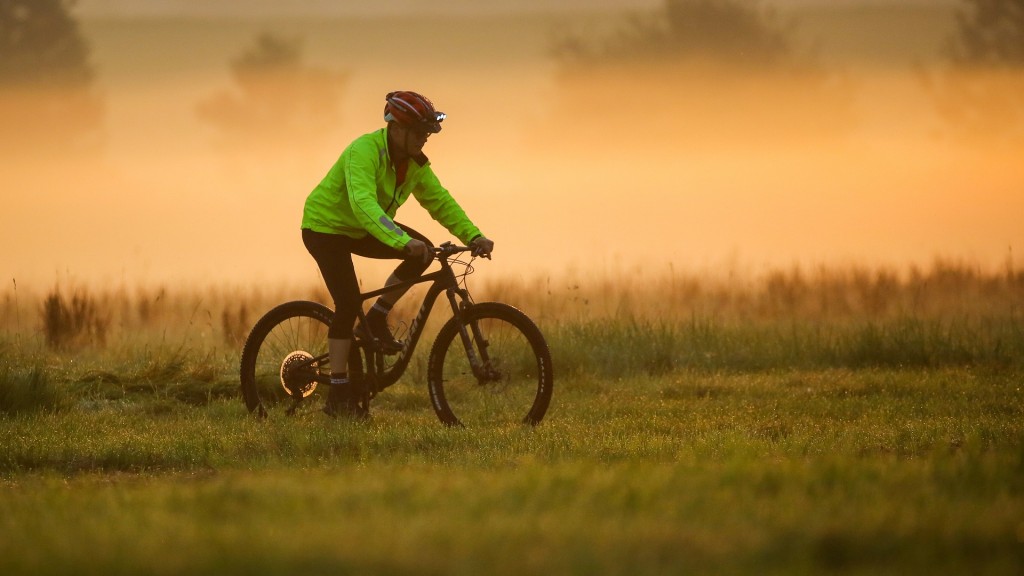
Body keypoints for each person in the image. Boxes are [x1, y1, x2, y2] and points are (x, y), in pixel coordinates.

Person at [301, 90, 494, 418]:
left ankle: (375, 318)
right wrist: (401, 239)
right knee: (347, 304)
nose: (424, 139)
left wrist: (474, 234)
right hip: (325, 228)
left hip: (363, 229)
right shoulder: (364, 151)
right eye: (419, 133)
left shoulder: (414, 164)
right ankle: (337, 391)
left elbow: (439, 201)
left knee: (423, 253)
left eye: (427, 134)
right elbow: (364, 204)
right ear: (397, 129)